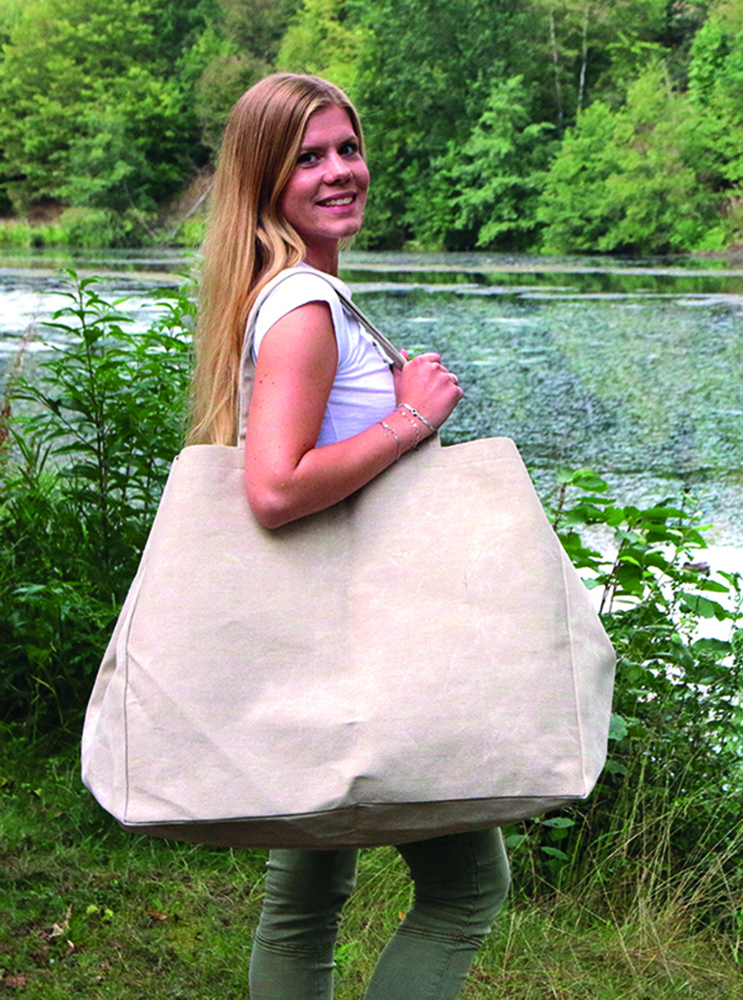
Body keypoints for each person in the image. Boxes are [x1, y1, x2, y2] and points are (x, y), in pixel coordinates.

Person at [187, 73, 511, 1000]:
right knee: (466, 886)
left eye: (347, 148)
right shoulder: (304, 309)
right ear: (265, 179)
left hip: (318, 632)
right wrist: (410, 419)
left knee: (305, 892)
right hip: (367, 639)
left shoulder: (296, 294)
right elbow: (275, 488)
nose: (339, 171)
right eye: (308, 158)